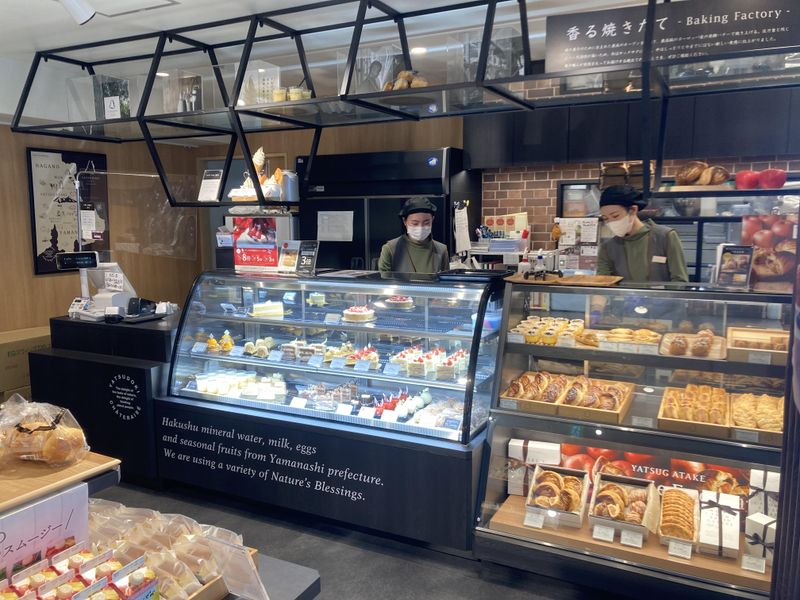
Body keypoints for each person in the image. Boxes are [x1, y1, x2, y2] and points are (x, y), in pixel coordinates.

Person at [597, 185, 688, 282]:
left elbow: (680, 280)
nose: (611, 222)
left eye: (615, 216)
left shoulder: (665, 237)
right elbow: (603, 282)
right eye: (606, 218)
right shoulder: (608, 248)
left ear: (633, 210)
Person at [378, 197, 449, 274]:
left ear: (432, 220)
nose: (420, 227)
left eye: (426, 223)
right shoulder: (390, 249)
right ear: (405, 221)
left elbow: (445, 280)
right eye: (415, 223)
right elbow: (383, 280)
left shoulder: (441, 250)